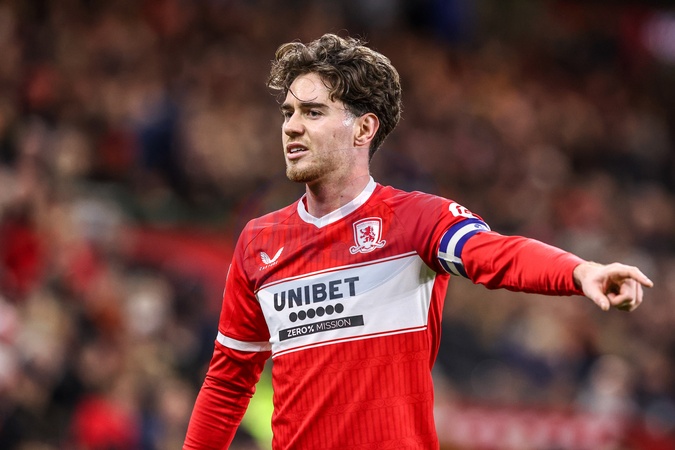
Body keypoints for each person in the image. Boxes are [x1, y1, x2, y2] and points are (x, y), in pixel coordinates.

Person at [183, 33, 653, 450]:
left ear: (363, 128)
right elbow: (228, 382)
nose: (291, 125)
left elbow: (494, 255)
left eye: (313, 111)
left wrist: (579, 272)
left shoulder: (415, 221)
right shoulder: (259, 241)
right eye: (288, 112)